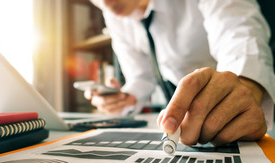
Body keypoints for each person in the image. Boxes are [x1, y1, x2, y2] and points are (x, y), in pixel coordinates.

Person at [86, 0, 275, 146]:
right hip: (189, 113)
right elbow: (140, 76)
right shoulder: (114, 16)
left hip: (242, 105)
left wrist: (242, 86)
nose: (105, 3)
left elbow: (238, 33)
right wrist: (123, 98)